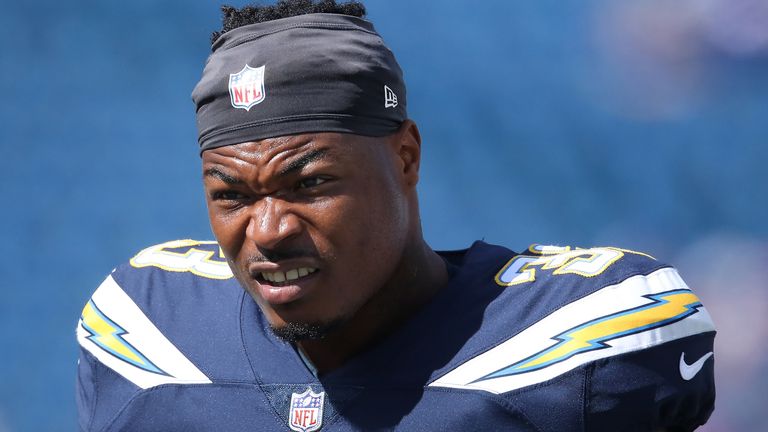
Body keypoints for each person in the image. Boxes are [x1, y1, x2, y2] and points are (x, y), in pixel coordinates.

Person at [75, 1, 716, 430]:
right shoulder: (148, 336)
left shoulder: (581, 338)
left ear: (405, 156)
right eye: (232, 196)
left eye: (311, 183)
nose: (269, 231)